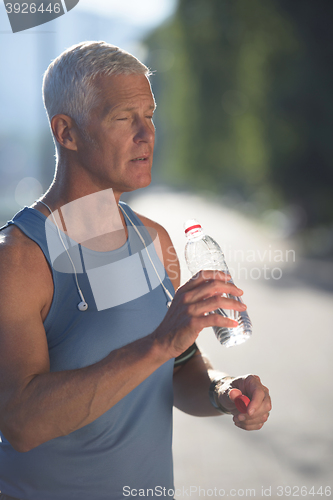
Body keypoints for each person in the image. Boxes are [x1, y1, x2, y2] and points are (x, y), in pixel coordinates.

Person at [0, 41, 271, 500]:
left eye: (149, 115)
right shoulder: (19, 260)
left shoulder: (155, 241)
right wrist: (160, 341)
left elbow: (176, 368)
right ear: (66, 133)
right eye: (124, 118)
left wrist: (222, 392)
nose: (146, 134)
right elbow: (22, 423)